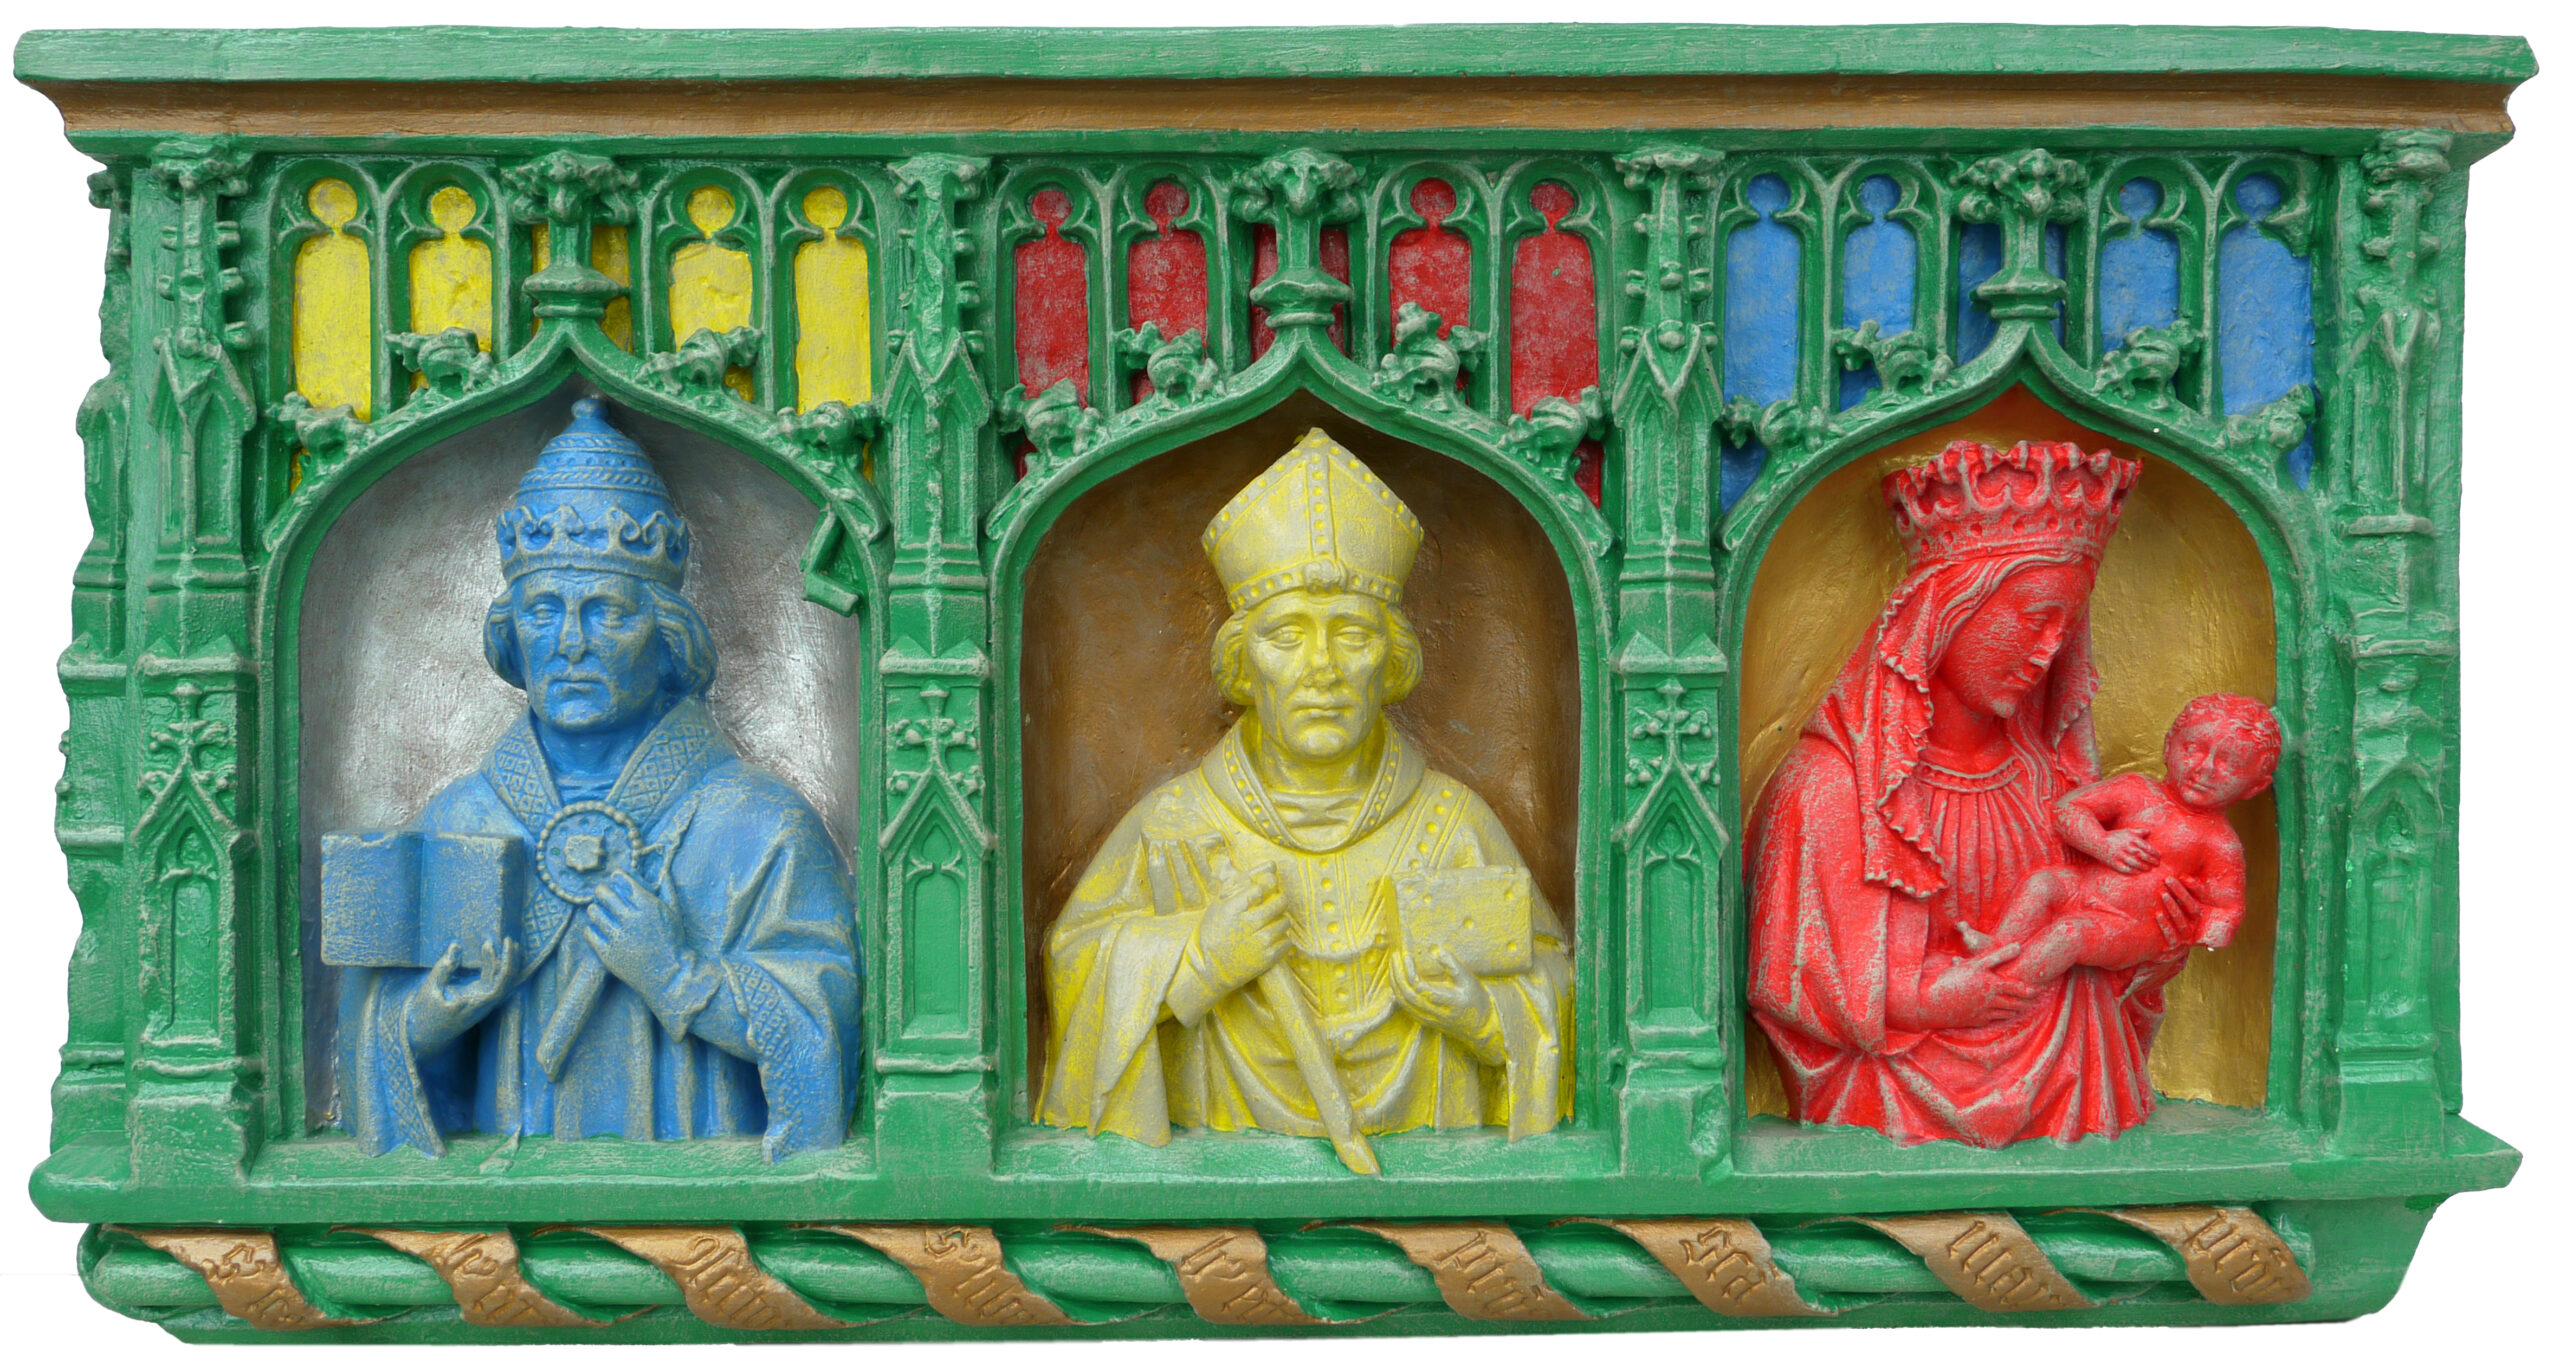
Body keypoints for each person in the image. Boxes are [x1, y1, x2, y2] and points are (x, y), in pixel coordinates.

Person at [336, 398, 860, 1160]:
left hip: (704, 1208)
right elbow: (372, 1062)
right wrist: (425, 1019)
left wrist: (682, 979)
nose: (571, 643)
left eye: (607, 611)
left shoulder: (758, 829)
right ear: (511, 633)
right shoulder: (461, 821)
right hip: (502, 1211)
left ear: (667, 634)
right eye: (544, 610)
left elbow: (824, 1027)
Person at [1036, 430, 1571, 1163]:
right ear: (1241, 666)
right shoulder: (1174, 830)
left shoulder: (1453, 827)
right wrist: (1199, 960)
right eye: (1286, 635)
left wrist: (1481, 1015)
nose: (1322, 668)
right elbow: (1077, 969)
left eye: (1352, 634)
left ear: (1392, 662)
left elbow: (1554, 986)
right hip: (1219, 1188)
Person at [1745, 437, 2189, 1147]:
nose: (2046, 652)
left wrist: (2153, 941)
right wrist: (1920, 999)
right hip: (1890, 1098)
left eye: (2065, 629)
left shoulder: (2053, 783)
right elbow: (1793, 976)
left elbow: (2098, 945)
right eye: (2033, 618)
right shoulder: (1831, 785)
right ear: (1950, 608)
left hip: (2073, 1083)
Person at [1958, 694, 2280, 984]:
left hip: (2131, 926)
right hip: (2085, 887)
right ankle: (1999, 947)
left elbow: (2227, 911)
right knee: (2042, 884)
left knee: (2070, 933)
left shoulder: (2219, 842)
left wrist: (2201, 926)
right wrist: (2103, 844)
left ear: (2254, 786)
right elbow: (2067, 810)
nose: (2205, 769)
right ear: (2168, 746)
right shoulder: (2135, 791)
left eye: (2229, 763)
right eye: (2193, 749)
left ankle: (2006, 982)